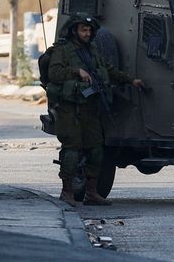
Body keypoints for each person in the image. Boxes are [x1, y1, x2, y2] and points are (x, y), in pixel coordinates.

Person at [46, 15, 143, 206]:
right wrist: (76, 72)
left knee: (97, 150)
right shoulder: (62, 50)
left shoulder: (92, 51)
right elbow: (54, 74)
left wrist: (130, 80)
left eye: (89, 30)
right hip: (70, 109)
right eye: (83, 30)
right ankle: (67, 192)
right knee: (72, 150)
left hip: (90, 108)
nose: (87, 33)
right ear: (75, 30)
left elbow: (108, 69)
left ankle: (92, 192)